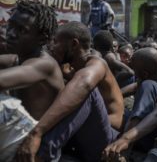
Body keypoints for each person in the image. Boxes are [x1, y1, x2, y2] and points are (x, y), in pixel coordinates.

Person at [18, 21, 120, 161]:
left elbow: (84, 84)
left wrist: (37, 132)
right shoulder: (68, 69)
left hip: (107, 136)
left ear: (73, 44)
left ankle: (41, 156)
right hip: (79, 138)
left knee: (85, 93)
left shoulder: (97, 64)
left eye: (56, 42)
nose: (52, 46)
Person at [0, 0, 65, 161]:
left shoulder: (45, 64)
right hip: (15, 138)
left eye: (21, 30)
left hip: (35, 147)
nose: (11, 33)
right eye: (11, 26)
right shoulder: (17, 58)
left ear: (42, 39)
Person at [102, 47, 157, 161]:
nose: (132, 71)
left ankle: (125, 150)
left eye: (134, 69)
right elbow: (124, 92)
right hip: (139, 131)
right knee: (112, 112)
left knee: (148, 85)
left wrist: (126, 139)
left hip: (155, 136)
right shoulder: (146, 77)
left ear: (144, 73)